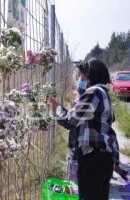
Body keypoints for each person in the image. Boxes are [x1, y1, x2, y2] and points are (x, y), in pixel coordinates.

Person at [49, 58, 127, 200]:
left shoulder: (93, 93)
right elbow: (84, 120)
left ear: (90, 75)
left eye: (81, 75)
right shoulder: (103, 93)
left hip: (93, 159)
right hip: (102, 158)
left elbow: (70, 121)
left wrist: (55, 110)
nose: (79, 79)